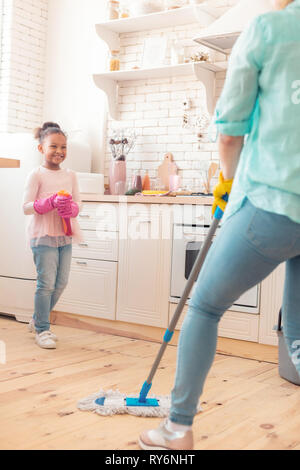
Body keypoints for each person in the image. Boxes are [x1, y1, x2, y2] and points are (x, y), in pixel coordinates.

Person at [139, 0, 300, 450]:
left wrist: (226, 182)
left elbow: (230, 131)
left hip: (271, 201)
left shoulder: (270, 29)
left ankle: (176, 428)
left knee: (205, 307)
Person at [23, 122, 82, 350]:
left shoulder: (71, 175)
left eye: (64, 147)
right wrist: (48, 202)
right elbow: (26, 207)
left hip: (65, 234)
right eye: (54, 146)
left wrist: (73, 210)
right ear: (41, 149)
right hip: (43, 234)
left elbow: (78, 203)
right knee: (46, 283)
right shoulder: (36, 174)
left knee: (61, 282)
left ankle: (38, 319)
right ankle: (42, 329)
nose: (59, 151)